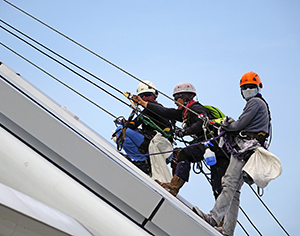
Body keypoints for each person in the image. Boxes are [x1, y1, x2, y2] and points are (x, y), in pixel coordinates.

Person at [194, 71, 271, 236]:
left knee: (228, 183)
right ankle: (228, 230)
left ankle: (213, 218)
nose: (248, 89)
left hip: (245, 150)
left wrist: (226, 124)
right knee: (234, 192)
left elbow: (239, 125)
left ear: (259, 87)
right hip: (251, 151)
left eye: (251, 87)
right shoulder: (262, 105)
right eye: (245, 87)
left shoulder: (255, 103)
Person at [133, 82, 229, 197]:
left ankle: (174, 186)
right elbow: (166, 112)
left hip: (216, 144)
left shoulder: (196, 108)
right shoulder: (185, 113)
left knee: (185, 153)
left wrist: (185, 132)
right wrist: (143, 103)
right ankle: (221, 215)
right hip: (216, 147)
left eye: (176, 98)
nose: (174, 101)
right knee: (217, 183)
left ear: (184, 97)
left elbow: (201, 122)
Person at [113, 80, 173, 182]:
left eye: (148, 95)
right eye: (142, 96)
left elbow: (134, 124)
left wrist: (127, 124)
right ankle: (143, 161)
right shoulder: (147, 111)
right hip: (157, 149)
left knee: (120, 131)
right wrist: (127, 122)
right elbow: (135, 123)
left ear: (155, 96)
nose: (145, 98)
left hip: (159, 148)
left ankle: (141, 161)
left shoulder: (156, 108)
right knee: (121, 132)